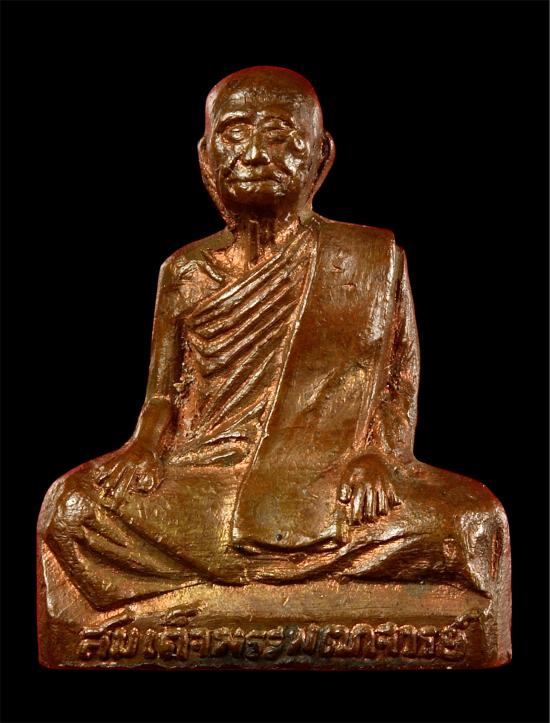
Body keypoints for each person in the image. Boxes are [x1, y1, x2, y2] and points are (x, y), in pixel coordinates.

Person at [38, 67, 510, 612]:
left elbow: (398, 386)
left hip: (329, 480)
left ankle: (220, 588)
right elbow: (163, 395)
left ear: (322, 155)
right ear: (206, 156)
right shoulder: (185, 272)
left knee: (472, 520)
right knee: (70, 509)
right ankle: (270, 588)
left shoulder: (369, 260)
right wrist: (143, 447)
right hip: (205, 476)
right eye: (235, 133)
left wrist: (378, 456)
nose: (256, 153)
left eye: (280, 134)